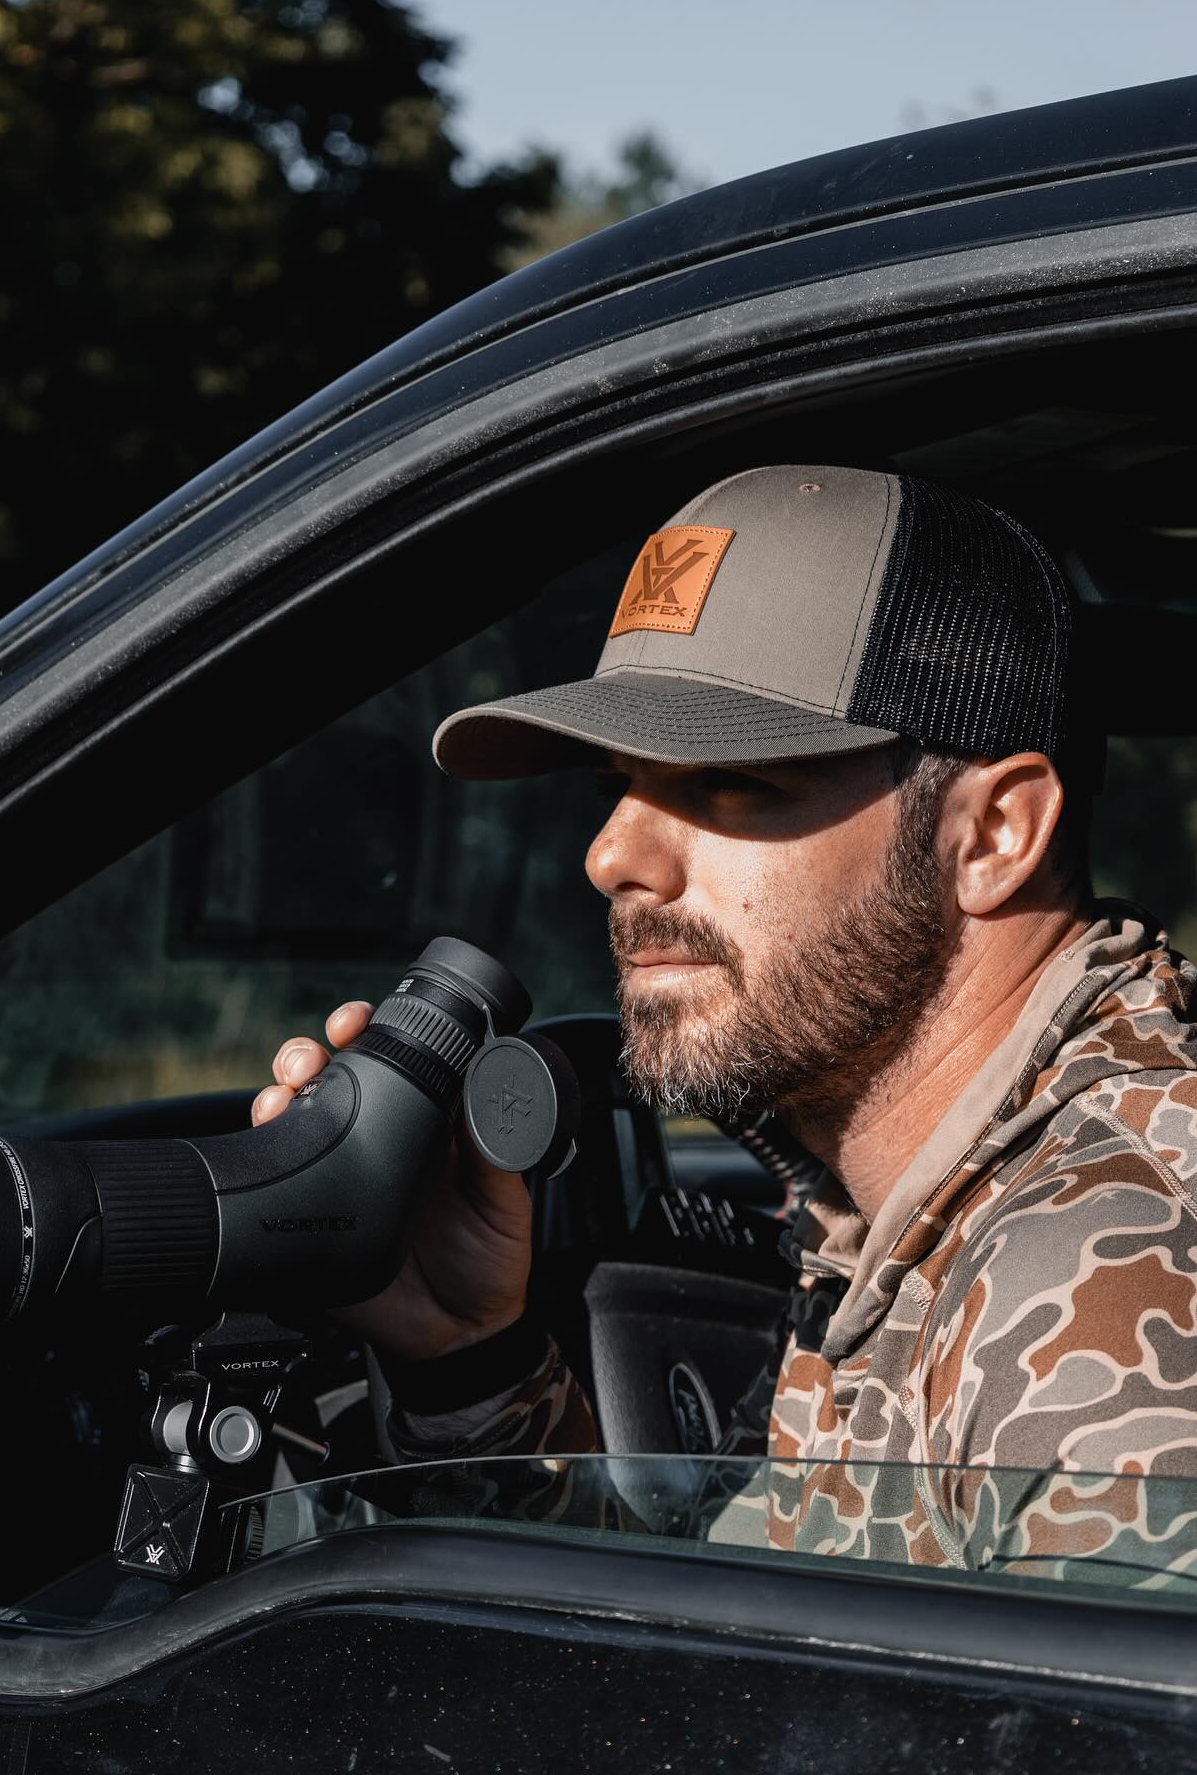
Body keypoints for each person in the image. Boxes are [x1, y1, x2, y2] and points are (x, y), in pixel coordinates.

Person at [254, 464, 1197, 1571]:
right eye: (621, 780)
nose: (611, 856)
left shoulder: (1101, 1270)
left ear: (989, 835)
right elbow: (761, 1681)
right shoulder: (913, 1198)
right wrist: (467, 1361)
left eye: (732, 783)